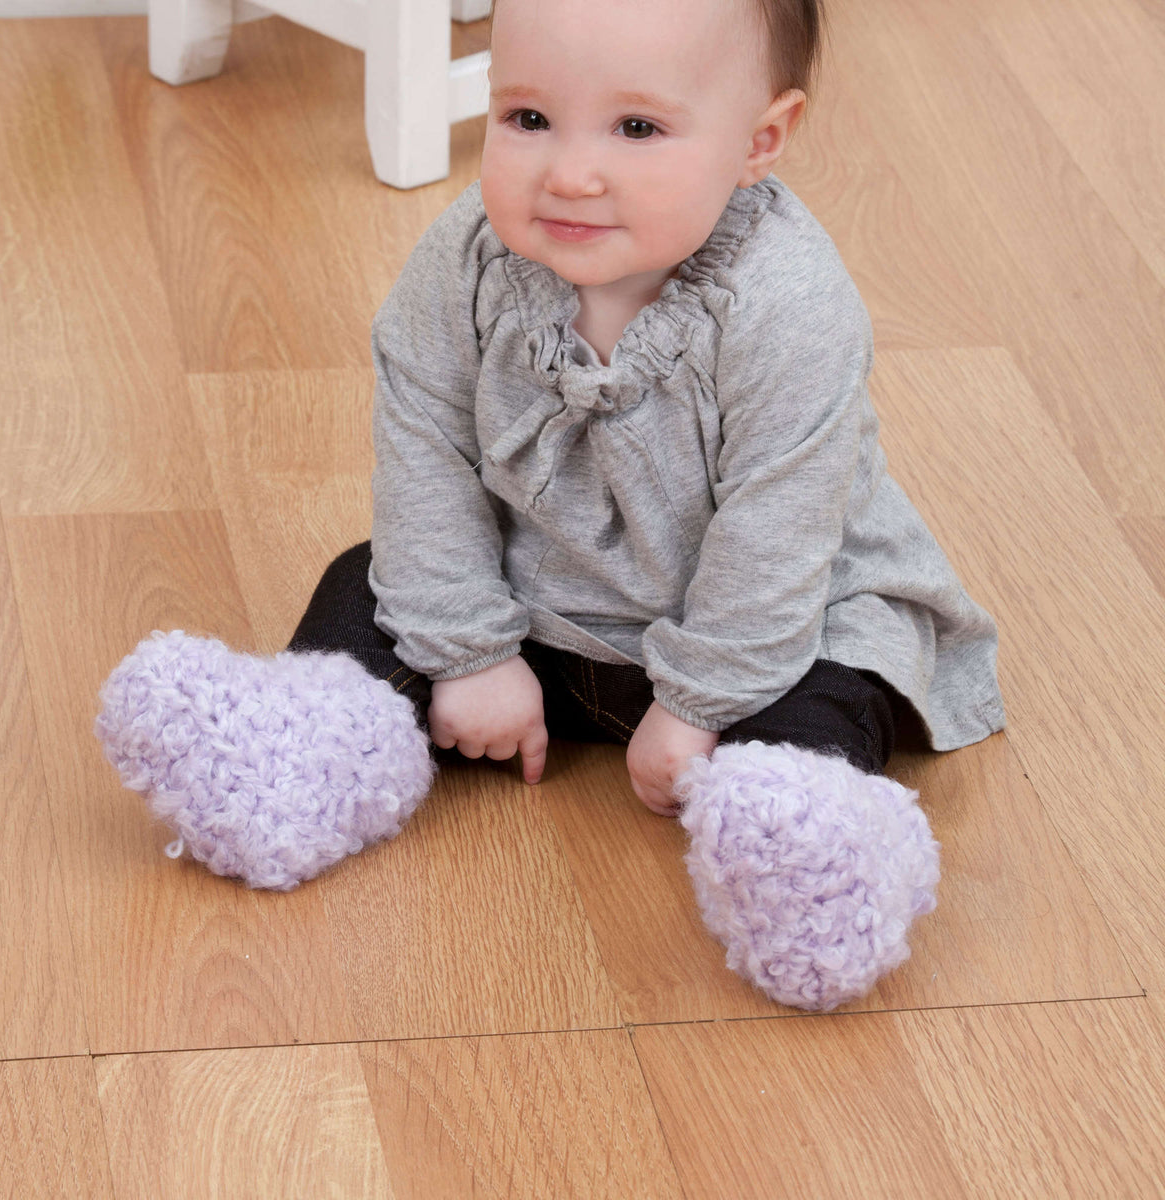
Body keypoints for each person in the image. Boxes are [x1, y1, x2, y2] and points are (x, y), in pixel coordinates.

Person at [96, 0, 1005, 1011]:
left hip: (764, 629)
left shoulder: (788, 305)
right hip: (538, 604)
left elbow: (777, 533)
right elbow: (424, 441)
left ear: (760, 141)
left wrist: (698, 704)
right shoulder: (468, 259)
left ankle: (809, 848)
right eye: (528, 119)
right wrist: (471, 650)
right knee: (371, 575)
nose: (569, 172)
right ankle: (301, 760)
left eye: (637, 129)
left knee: (844, 674)